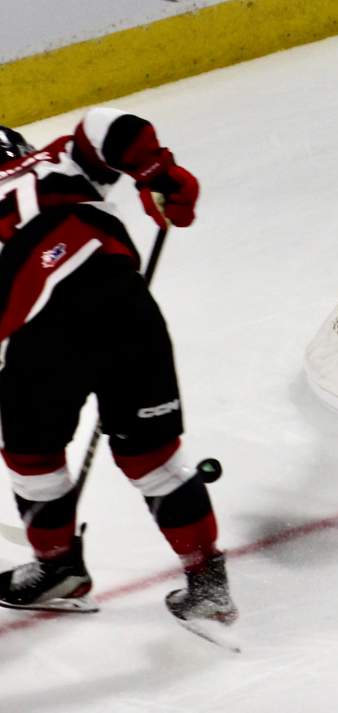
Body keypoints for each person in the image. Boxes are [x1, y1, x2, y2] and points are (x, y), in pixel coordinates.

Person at [0, 109, 235, 626]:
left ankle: (58, 566)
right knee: (153, 456)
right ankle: (207, 582)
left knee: (31, 455)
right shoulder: (55, 158)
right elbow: (111, 126)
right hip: (121, 300)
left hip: (39, 329)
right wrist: (162, 176)